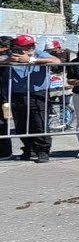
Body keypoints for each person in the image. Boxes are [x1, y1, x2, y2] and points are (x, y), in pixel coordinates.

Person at [4, 34, 60, 162]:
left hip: (37, 93)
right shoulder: (10, 55)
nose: (30, 47)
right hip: (17, 94)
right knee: (21, 125)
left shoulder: (39, 54)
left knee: (39, 123)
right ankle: (29, 149)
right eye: (26, 46)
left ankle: (42, 151)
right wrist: (7, 61)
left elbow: (57, 61)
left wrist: (31, 60)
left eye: (32, 45)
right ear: (17, 46)